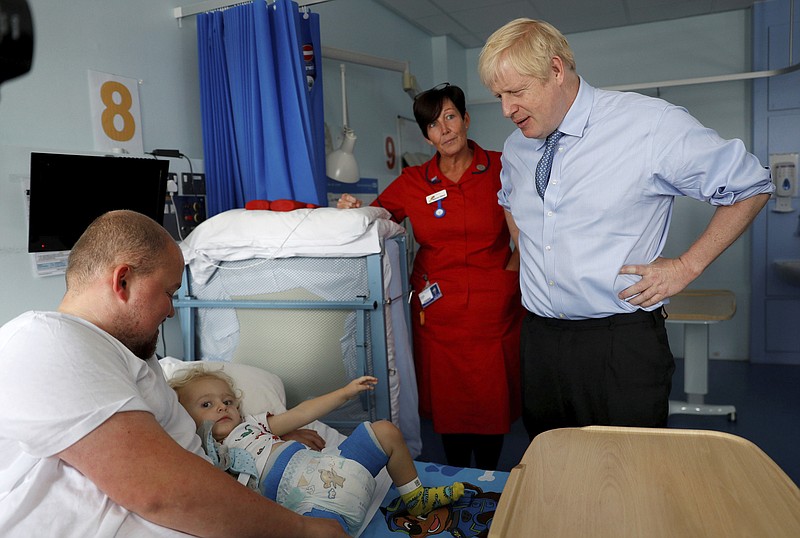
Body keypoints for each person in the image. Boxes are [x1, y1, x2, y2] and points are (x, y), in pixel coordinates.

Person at [477, 18, 775, 441]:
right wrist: (533, 256)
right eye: (498, 96)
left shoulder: (648, 125)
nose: (506, 109)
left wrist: (687, 266)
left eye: (516, 92)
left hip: (618, 343)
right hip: (541, 340)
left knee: (629, 479)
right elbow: (511, 201)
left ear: (557, 70)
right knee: (553, 467)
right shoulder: (517, 146)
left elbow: (751, 185)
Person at [0, 210, 348, 537]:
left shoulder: (130, 359)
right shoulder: (47, 339)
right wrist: (303, 530)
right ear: (123, 281)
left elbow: (193, 450)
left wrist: (264, 448)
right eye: (169, 293)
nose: (170, 311)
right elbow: (158, 489)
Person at [337, 83, 524, 470]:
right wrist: (352, 207)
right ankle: (457, 476)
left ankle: (489, 478)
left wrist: (509, 278)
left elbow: (530, 234)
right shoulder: (413, 182)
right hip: (438, 317)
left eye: (451, 117)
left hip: (494, 311)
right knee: (450, 408)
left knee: (491, 405)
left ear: (466, 120)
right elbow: (376, 219)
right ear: (426, 136)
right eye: (435, 125)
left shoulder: (504, 167)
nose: (446, 130)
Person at [169, 367, 464, 535]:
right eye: (206, 405)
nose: (222, 407)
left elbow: (303, 411)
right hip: (313, 506)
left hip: (336, 466)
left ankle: (415, 496)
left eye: (228, 400)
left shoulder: (253, 425)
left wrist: (345, 392)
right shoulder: (206, 459)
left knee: (385, 430)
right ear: (185, 419)